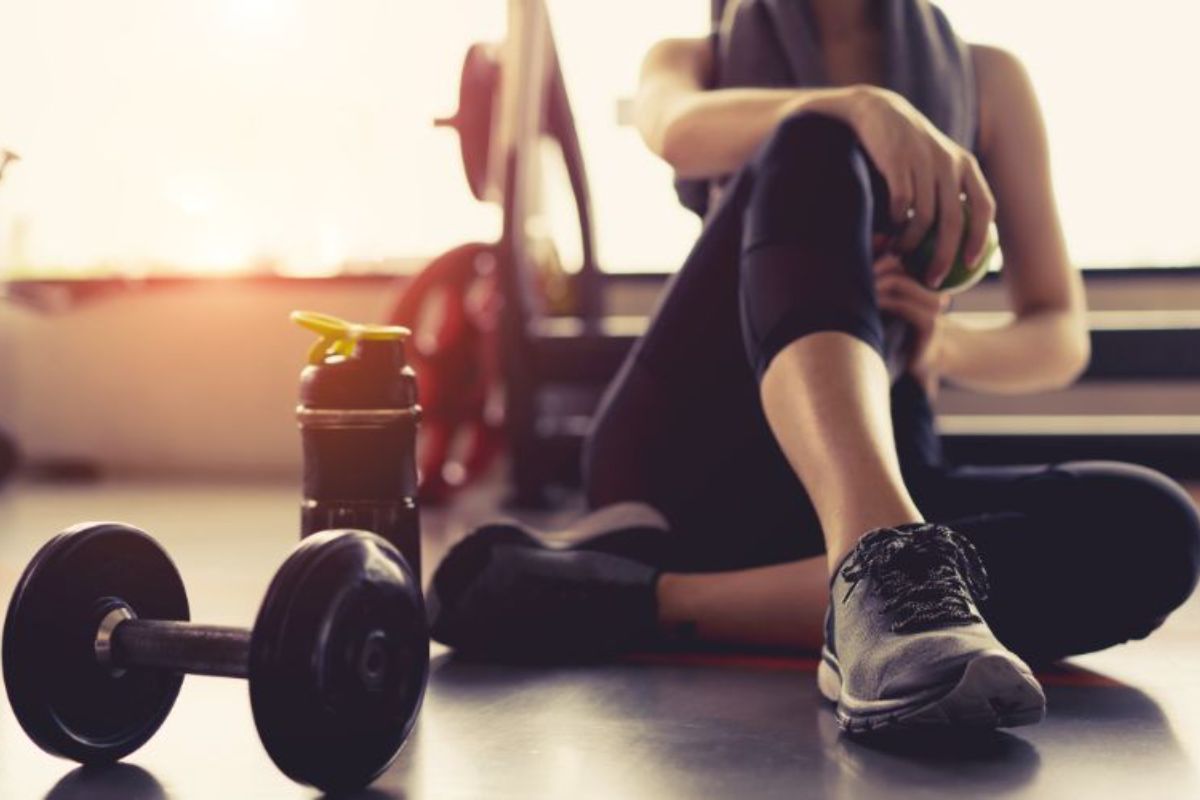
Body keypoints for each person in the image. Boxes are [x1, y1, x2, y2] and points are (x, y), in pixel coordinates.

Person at [426, 0, 1200, 733]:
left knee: (1156, 530)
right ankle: (882, 572)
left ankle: (649, 598)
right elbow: (676, 130)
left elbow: (1059, 336)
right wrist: (861, 105)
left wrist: (944, 345)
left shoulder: (989, 78)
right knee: (816, 135)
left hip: (887, 448)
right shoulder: (697, 57)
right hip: (694, 455)